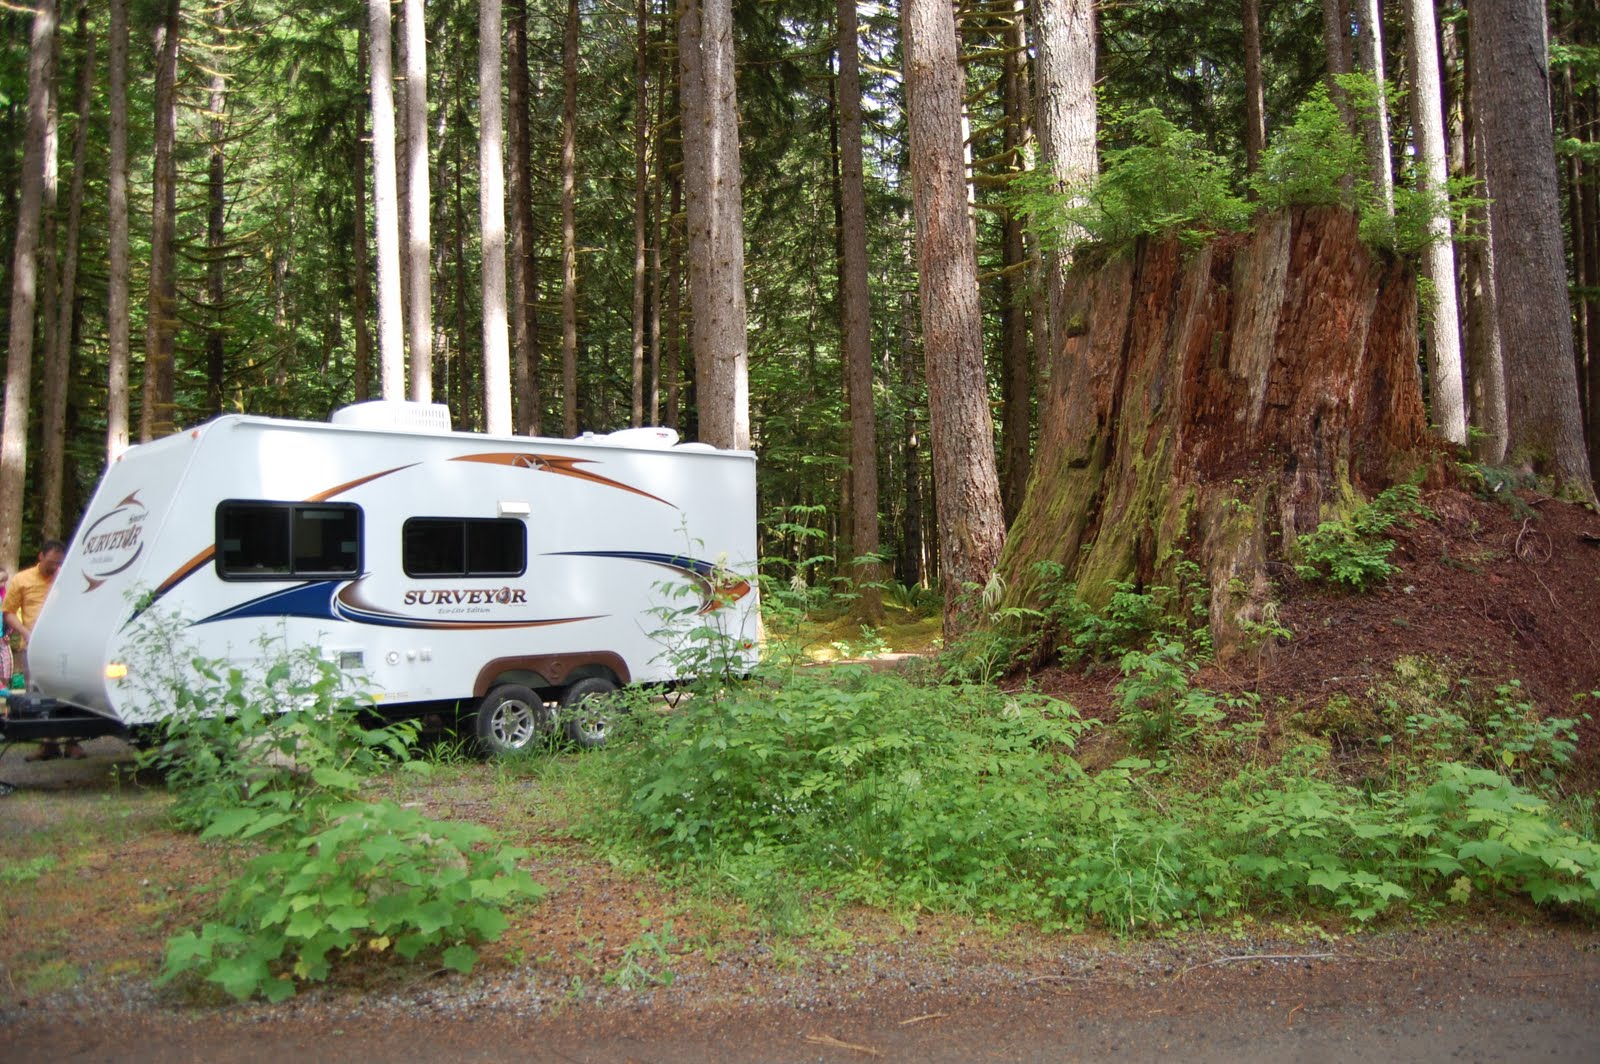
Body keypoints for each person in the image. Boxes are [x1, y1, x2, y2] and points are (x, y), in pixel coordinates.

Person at [3, 540, 82, 760]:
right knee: (38, 693)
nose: (54, 567)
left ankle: (73, 741)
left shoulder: (65, 579)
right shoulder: (22, 579)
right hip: (33, 646)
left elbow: (78, 605)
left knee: (68, 691)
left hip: (63, 644)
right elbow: (8, 612)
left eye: (59, 563)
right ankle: (48, 743)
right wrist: (24, 631)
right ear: (40, 556)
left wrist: (61, 584)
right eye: (51, 562)